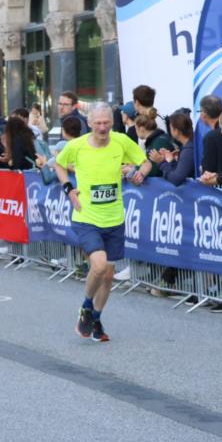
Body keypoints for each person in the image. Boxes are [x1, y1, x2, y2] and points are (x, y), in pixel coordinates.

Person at [54, 102, 151, 342]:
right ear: (89, 123)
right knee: (98, 265)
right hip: (86, 217)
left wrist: (141, 173)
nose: (102, 127)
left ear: (112, 123)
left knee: (108, 276)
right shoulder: (76, 146)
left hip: (114, 218)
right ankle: (86, 306)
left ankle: (95, 319)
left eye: (106, 122)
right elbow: (58, 164)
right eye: (97, 123)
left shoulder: (121, 141)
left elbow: (145, 161)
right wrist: (69, 189)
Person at [151, 112, 194, 186]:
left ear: (176, 131)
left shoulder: (188, 150)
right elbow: (180, 172)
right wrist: (171, 161)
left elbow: (176, 179)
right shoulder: (189, 146)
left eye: (170, 127)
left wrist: (161, 163)